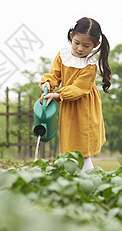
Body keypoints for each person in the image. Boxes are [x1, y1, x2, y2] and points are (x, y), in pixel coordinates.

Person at [39, 17, 111, 172]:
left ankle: (90, 180)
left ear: (95, 45)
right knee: (70, 145)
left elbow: (79, 88)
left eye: (86, 46)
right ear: (71, 36)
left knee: (82, 148)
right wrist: (47, 84)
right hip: (69, 106)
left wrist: (57, 95)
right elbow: (54, 75)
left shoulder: (90, 65)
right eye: (77, 43)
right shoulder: (62, 55)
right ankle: (76, 180)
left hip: (84, 108)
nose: (80, 49)